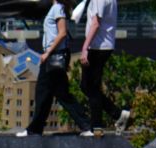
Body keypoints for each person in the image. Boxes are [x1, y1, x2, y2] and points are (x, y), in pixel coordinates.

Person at [18, 0, 90, 137]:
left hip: (53, 56)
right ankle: (85, 125)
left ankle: (34, 130)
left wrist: (47, 52)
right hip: (56, 55)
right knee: (51, 93)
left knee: (45, 92)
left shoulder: (57, 8)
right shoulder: (58, 8)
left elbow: (62, 32)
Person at [79, 0, 130, 131]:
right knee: (88, 86)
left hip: (97, 46)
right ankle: (117, 114)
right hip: (104, 45)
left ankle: (96, 126)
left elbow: (96, 24)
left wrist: (85, 47)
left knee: (90, 87)